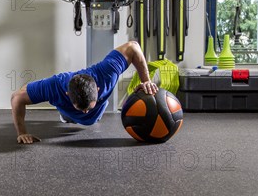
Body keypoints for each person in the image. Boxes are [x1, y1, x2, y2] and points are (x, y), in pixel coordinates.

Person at [11, 41, 158, 144]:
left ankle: (87, 110)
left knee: (91, 117)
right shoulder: (54, 87)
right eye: (83, 109)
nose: (86, 111)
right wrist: (22, 132)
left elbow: (133, 46)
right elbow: (17, 97)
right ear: (68, 95)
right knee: (67, 116)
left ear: (98, 89)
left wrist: (146, 80)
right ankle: (67, 114)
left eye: (89, 107)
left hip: (97, 111)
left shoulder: (106, 73)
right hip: (68, 112)